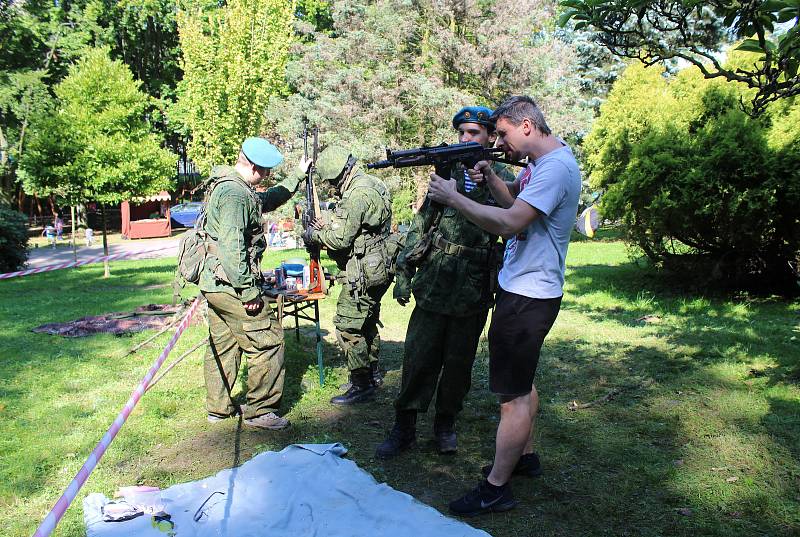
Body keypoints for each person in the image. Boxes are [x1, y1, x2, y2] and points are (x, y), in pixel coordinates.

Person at [426, 96, 581, 516]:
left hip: (529, 296)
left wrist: (454, 198)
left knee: (511, 397)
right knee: (521, 380)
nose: (500, 143)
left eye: (505, 134)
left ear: (526, 125)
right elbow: (512, 198)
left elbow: (510, 222)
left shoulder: (555, 169)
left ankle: (496, 487)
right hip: (525, 289)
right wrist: (492, 177)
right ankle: (525, 457)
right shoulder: (541, 162)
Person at [376, 106, 516, 459]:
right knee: (419, 356)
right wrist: (404, 271)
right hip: (437, 279)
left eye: (474, 133)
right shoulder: (447, 170)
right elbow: (423, 221)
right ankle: (404, 426)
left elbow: (512, 220)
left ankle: (445, 425)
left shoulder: (500, 176)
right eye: (462, 133)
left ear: (488, 136)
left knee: (459, 362)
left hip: (473, 285)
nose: (467, 139)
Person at [200, 137, 309, 430]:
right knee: (268, 341)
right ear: (255, 167)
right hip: (232, 284)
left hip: (215, 283)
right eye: (266, 171)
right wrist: (248, 290)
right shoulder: (235, 195)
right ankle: (260, 411)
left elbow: (268, 199)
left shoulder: (233, 186)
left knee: (224, 344)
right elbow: (232, 246)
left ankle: (218, 408)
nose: (268, 177)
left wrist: (298, 174)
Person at [304, 145, 394, 405]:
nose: (331, 187)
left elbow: (340, 239)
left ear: (339, 175)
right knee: (367, 319)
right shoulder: (372, 183)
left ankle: (361, 384)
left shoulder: (356, 195)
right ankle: (372, 372)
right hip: (379, 265)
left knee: (347, 325)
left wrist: (315, 235)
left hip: (363, 271)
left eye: (331, 182)